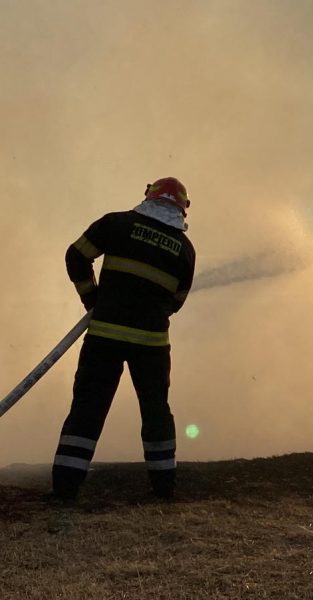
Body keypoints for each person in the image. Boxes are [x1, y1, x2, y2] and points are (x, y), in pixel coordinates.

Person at [52, 177, 196, 501]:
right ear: (181, 209)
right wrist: (150, 312)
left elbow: (76, 256)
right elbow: (177, 300)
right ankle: (163, 488)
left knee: (88, 408)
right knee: (156, 411)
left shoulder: (116, 224)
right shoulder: (185, 250)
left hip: (104, 336)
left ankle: (65, 488)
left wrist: (92, 298)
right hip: (152, 344)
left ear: (149, 196)